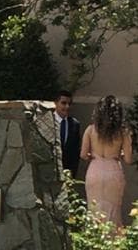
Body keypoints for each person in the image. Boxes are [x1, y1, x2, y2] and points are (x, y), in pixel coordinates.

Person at [80, 94, 133, 228]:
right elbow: (128, 159)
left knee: (94, 210)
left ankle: (94, 237)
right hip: (113, 169)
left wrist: (93, 155)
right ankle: (112, 238)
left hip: (94, 170)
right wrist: (118, 154)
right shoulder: (123, 132)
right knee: (113, 211)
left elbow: (83, 155)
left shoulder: (90, 130)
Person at [54, 90, 81, 177]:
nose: (67, 106)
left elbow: (75, 151)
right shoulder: (48, 121)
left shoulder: (75, 124)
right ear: (56, 103)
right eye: (63, 103)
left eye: (69, 104)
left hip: (67, 171)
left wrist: (72, 172)